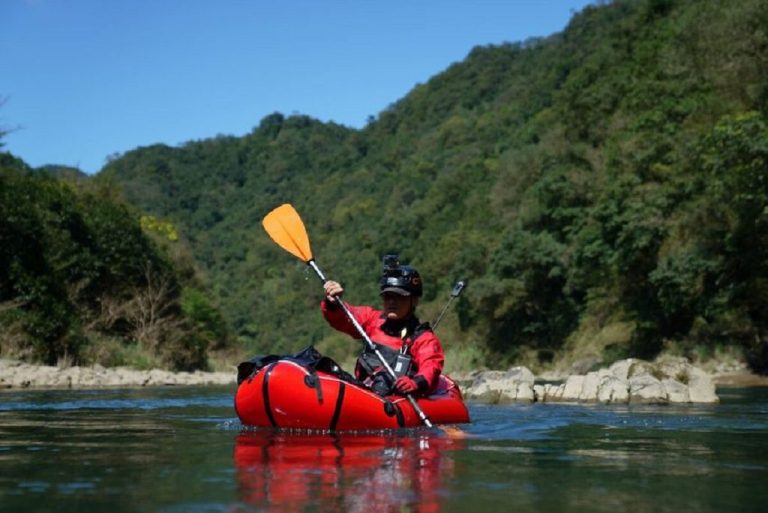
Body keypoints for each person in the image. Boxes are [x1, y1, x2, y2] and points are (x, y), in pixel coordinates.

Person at [321, 254, 445, 396]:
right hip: (364, 391)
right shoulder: (372, 319)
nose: (392, 302)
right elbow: (343, 317)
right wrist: (333, 303)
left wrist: (415, 383)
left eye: (399, 297)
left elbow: (431, 366)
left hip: (394, 398)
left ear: (414, 301)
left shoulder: (424, 339)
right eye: (388, 297)